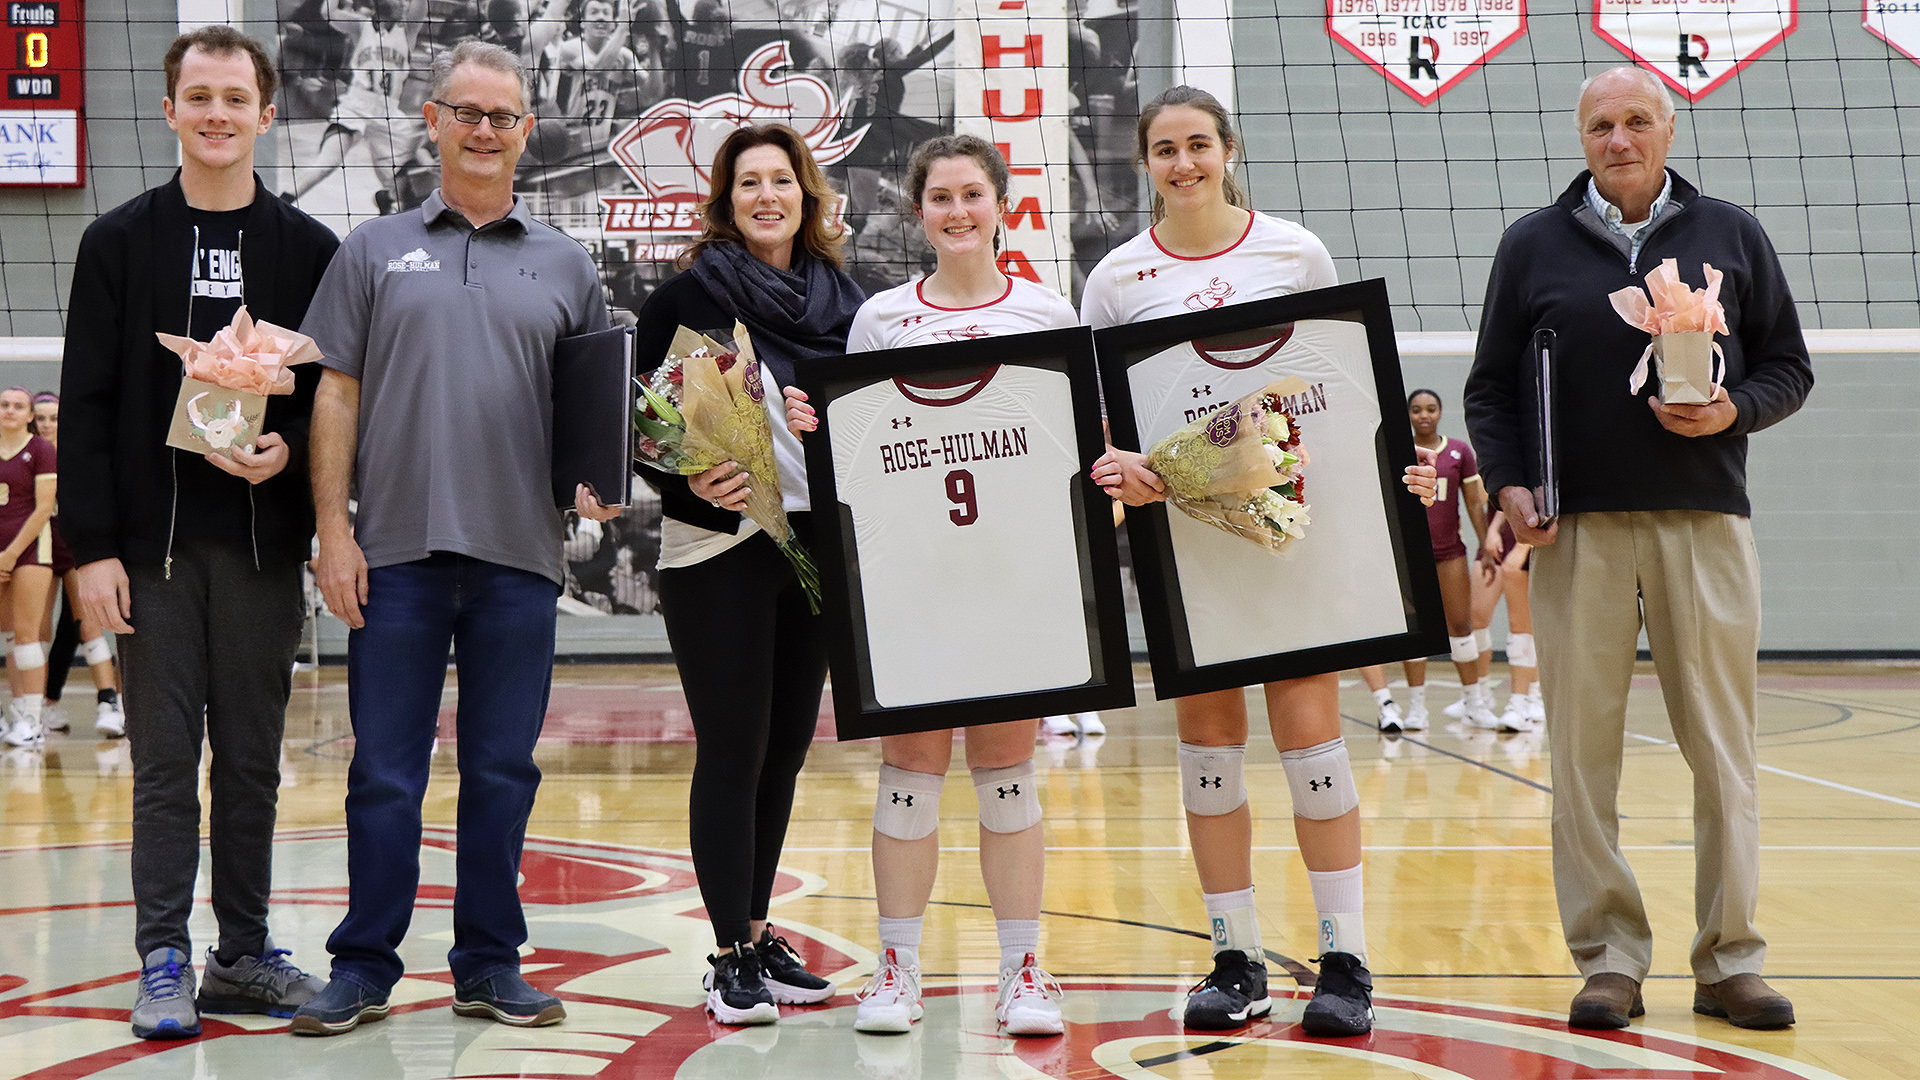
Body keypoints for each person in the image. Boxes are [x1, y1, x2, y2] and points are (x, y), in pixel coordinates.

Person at [1463, 66, 1813, 1032]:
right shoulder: (1531, 245)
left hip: (1705, 522)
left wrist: (1736, 410)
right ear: (1582, 137)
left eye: (1636, 121)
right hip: (1576, 532)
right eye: (1600, 125)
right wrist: (1509, 482)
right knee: (1581, 758)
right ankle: (1609, 957)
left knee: (1724, 753)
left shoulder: (1730, 232)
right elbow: (1490, 389)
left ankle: (1730, 958)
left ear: (1669, 126)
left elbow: (1789, 364)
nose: (1618, 139)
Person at [296, 40, 610, 1036]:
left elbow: (591, 409)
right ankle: (362, 966)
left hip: (520, 557)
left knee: (502, 770)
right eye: (465, 113)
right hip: (393, 553)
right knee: (383, 771)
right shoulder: (373, 250)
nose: (483, 131)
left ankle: (488, 962)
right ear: (433, 121)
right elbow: (333, 394)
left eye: (501, 117)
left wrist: (597, 485)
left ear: (526, 131)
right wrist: (330, 533)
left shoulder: (566, 261)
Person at [58, 25, 340, 1039]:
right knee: (167, 761)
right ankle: (165, 956)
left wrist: (292, 452)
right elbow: (83, 406)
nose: (217, 113)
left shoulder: (310, 251)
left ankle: (244, 953)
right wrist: (87, 553)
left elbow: (332, 401)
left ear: (267, 114)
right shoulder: (118, 243)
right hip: (152, 559)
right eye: (199, 96)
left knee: (256, 763)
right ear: (168, 110)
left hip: (264, 554)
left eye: (236, 97)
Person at [1080, 85, 1376, 1038]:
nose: (1184, 163)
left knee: (1315, 754)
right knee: (1209, 760)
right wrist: (1121, 465)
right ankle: (1235, 958)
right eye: (1164, 149)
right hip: (1182, 546)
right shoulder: (1120, 278)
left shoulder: (1294, 252)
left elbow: (1336, 386)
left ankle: (1346, 959)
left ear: (1228, 149)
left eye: (1199, 144)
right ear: (1145, 163)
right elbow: (1103, 415)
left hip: (1284, 539)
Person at [784, 135, 1077, 1037]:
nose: (957, 213)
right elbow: (861, 458)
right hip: (913, 581)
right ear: (920, 214)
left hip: (1012, 579)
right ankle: (897, 972)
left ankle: (1024, 969)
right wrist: (814, 427)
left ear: (1002, 206)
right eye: (940, 199)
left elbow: (1072, 446)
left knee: (1006, 771)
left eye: (971, 196)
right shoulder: (881, 321)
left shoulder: (1045, 312)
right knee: (910, 770)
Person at [587, 122, 863, 1026]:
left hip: (812, 546)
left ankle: (757, 929)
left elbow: (864, 422)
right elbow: (641, 429)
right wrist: (686, 473)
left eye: (781, 180)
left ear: (806, 193)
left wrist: (821, 423)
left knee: (785, 750)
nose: (766, 196)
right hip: (717, 551)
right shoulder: (685, 298)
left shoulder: (845, 301)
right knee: (733, 749)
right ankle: (728, 957)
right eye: (748, 184)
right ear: (726, 200)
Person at [1362, 389, 1498, 733]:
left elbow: (1473, 505)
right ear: (1408, 414)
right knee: (1416, 630)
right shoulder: (1399, 451)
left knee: (1461, 628)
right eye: (1417, 409)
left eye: (1431, 409)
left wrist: (1485, 549)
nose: (1424, 415)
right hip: (1411, 556)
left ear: (1440, 413)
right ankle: (1417, 708)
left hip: (1450, 553)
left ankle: (1474, 703)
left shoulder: (1459, 452)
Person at [27, 393, 125, 739]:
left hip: (70, 538)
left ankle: (108, 702)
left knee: (87, 624)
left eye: (53, 417)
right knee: (37, 630)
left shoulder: (74, 449)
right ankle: (38, 708)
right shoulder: (27, 451)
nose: (48, 423)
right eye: (41, 418)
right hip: (35, 541)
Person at [286, 0, 429, 213]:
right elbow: (329, 11)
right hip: (356, 104)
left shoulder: (407, 29)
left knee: (410, 182)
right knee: (326, 164)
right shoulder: (361, 26)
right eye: (399, 1)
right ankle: (280, 203)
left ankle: (388, 200)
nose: (404, 4)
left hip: (388, 112)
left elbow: (419, 7)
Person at [0, 388, 62, 749]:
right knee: (8, 637)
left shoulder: (41, 450)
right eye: (4, 405)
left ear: (29, 416)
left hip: (30, 553)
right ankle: (19, 710)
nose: (10, 410)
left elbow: (43, 509)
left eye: (17, 406)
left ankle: (34, 721)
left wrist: (9, 555)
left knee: (27, 635)